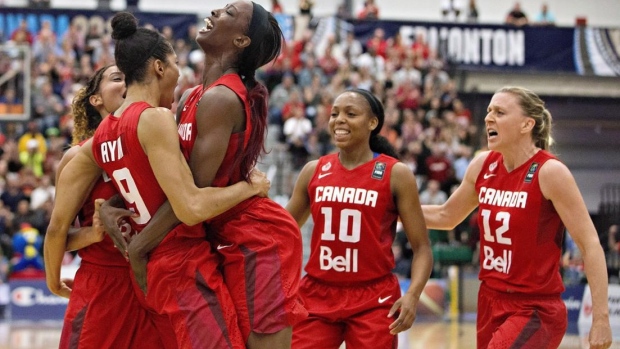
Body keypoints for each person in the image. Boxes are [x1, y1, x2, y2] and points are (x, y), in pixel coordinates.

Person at [45, 12, 271, 349]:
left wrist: (109, 213)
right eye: (176, 63)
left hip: (149, 269)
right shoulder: (156, 118)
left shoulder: (100, 137)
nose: (181, 74)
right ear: (159, 68)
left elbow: (60, 222)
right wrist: (249, 187)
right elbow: (191, 207)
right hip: (178, 259)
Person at [109, 3, 307, 348]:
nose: (216, 11)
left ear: (242, 40)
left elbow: (192, 196)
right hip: (209, 230)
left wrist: (140, 247)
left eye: (229, 13)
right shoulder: (190, 96)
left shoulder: (221, 99)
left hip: (254, 238)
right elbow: (168, 177)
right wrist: (112, 203)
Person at [421, 86, 612, 349]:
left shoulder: (550, 172)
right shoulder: (482, 165)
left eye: (499, 112)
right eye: (489, 111)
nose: (489, 118)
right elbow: (446, 215)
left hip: (535, 307)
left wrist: (601, 318)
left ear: (526, 124)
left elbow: (590, 245)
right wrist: (392, 209)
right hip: (490, 300)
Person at [286, 89, 433, 348]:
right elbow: (282, 231)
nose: (339, 120)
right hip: (317, 292)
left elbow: (422, 248)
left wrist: (412, 295)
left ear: (372, 123)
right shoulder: (314, 170)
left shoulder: (395, 174)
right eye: (334, 114)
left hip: (373, 297)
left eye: (350, 114)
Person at [50, 65, 167, 349]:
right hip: (103, 283)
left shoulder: (157, 138)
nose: (128, 82)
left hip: (152, 279)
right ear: (96, 100)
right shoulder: (79, 155)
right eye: (117, 78)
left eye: (131, 77)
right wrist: (91, 235)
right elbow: (57, 233)